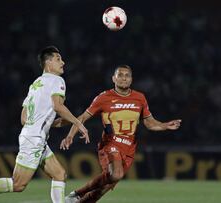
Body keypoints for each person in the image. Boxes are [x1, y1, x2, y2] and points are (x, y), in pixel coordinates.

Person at [0, 46, 89, 203]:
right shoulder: (57, 80)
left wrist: (46, 123)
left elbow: (24, 118)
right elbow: (58, 106)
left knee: (59, 174)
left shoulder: (35, 84)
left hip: (32, 136)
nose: (63, 62)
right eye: (58, 59)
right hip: (35, 139)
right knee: (18, 184)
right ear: (48, 62)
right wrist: (78, 123)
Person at [61, 65, 182, 203]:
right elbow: (82, 117)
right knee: (116, 174)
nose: (124, 78)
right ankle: (76, 194)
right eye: (120, 75)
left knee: (105, 188)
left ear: (131, 79)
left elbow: (150, 123)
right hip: (110, 144)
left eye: (127, 75)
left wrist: (165, 125)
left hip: (129, 148)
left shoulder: (140, 98)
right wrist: (70, 135)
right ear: (114, 78)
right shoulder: (103, 97)